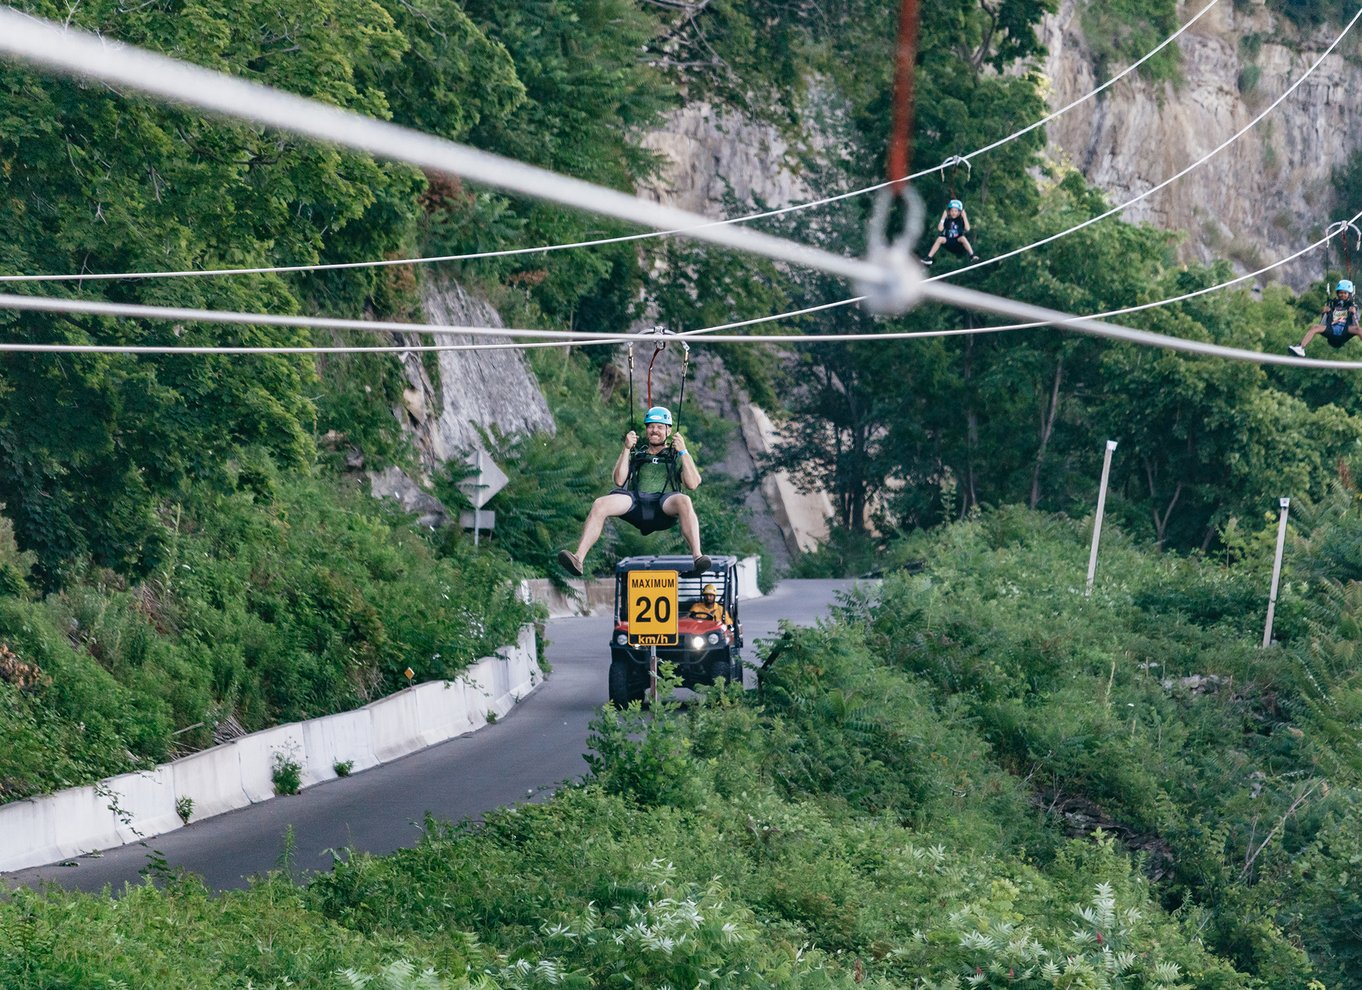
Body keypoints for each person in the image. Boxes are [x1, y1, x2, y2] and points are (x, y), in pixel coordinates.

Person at [558, 405, 711, 577]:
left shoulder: (675, 456)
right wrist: (626, 448)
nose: (655, 430)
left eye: (660, 427)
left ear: (668, 431)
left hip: (663, 506)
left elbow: (693, 483)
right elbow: (619, 480)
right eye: (651, 426)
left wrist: (683, 450)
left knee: (685, 501)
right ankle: (578, 558)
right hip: (636, 503)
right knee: (600, 504)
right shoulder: (637, 454)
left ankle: (697, 557)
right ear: (646, 429)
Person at [1290, 279, 1362, 356]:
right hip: (1331, 330)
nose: (1343, 295)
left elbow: (1356, 326)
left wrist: (1353, 313)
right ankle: (1300, 347)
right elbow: (1322, 322)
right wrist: (1324, 312)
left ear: (1349, 294)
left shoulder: (1353, 306)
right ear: (1337, 293)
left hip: (1344, 331)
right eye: (1341, 293)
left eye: (1345, 293)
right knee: (1315, 327)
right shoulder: (1332, 304)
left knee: (1360, 330)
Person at [921, 199, 978, 265]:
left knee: (962, 238)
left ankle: (972, 256)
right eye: (952, 211)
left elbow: (967, 229)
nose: (953, 213)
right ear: (949, 212)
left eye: (956, 211)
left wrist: (964, 216)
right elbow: (940, 229)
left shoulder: (960, 220)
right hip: (948, 242)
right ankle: (929, 258)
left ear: (959, 212)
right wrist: (943, 217)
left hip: (958, 243)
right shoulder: (947, 219)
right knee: (940, 238)